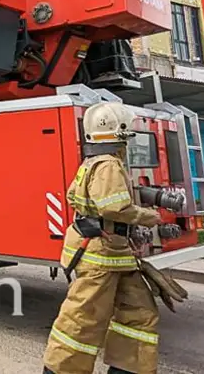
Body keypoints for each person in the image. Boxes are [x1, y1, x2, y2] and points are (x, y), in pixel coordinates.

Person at [43, 102, 162, 374]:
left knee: (139, 313)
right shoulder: (108, 164)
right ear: (117, 132)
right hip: (101, 255)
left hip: (115, 254)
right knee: (81, 321)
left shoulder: (97, 162)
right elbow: (112, 207)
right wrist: (148, 216)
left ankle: (129, 368)